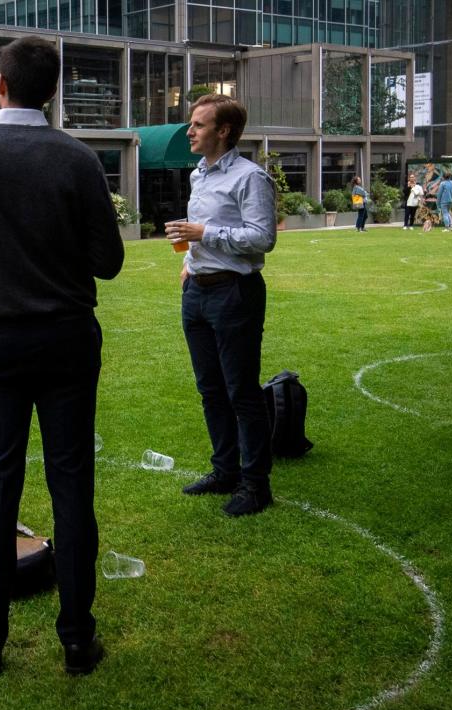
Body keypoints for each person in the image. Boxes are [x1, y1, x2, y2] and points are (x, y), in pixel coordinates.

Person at [0, 36, 124, 676]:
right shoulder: (78, 160)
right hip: (66, 337)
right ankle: (76, 637)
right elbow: (109, 262)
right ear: (53, 90)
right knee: (71, 483)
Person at [164, 94, 276, 517]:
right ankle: (224, 470)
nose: (190, 131)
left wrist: (204, 234)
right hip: (198, 292)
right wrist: (191, 263)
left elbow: (262, 237)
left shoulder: (250, 178)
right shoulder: (199, 175)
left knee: (241, 391)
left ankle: (255, 484)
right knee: (210, 389)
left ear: (223, 131)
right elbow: (202, 236)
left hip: (235, 293)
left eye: (197, 124)